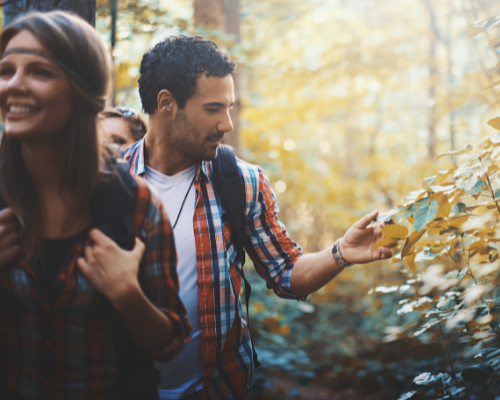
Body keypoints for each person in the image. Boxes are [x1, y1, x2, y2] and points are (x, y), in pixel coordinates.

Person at [0, 34, 394, 400]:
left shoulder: (240, 181)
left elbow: (286, 271)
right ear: (166, 103)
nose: (227, 123)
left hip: (217, 388)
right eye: (213, 109)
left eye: (229, 107)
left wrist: (341, 252)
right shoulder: (99, 181)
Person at [0, 12, 190, 400]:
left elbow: (171, 340)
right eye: (5, 71)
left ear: (84, 91)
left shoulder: (134, 205)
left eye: (39, 72)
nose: (13, 86)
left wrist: (126, 294)